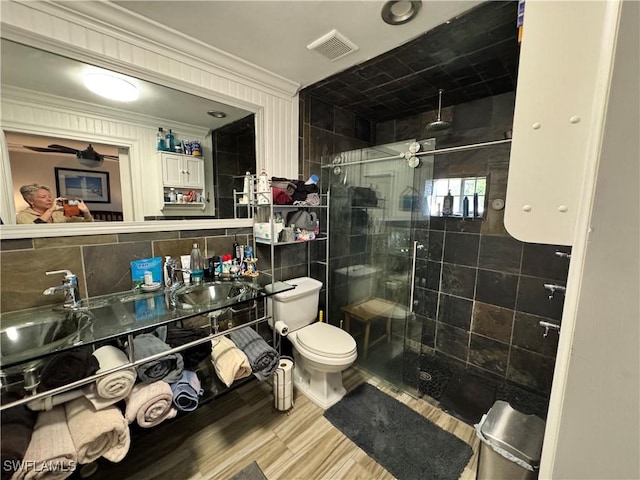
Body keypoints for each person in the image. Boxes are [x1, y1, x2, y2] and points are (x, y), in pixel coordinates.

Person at [16, 183, 93, 224]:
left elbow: (87, 224)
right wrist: (50, 210)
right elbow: (35, 230)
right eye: (43, 197)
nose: (49, 199)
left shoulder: (59, 214)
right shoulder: (22, 216)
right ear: (30, 201)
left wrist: (86, 212)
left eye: (50, 196)